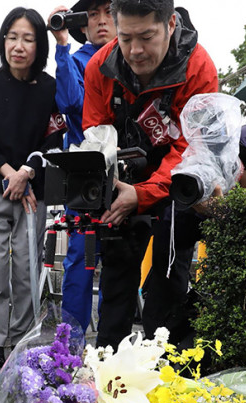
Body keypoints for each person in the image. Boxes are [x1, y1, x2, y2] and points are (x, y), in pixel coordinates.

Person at [82, 0, 218, 350]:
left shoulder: (198, 68)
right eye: (126, 38)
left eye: (147, 36)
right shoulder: (101, 66)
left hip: (179, 182)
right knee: (115, 275)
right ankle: (106, 370)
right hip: (124, 175)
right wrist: (110, 187)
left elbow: (193, 148)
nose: (135, 51)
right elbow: (96, 133)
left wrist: (143, 194)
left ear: (170, 24)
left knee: (168, 279)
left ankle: (169, 375)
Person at [0, 6, 66, 368]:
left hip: (32, 192)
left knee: (27, 271)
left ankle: (23, 340)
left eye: (27, 38)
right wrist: (11, 174)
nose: (19, 45)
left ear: (38, 44)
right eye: (12, 37)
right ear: (3, 41)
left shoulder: (49, 88)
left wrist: (26, 171)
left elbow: (56, 136)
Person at [50, 0, 116, 334]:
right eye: (93, 14)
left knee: (119, 262)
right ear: (83, 23)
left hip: (123, 178)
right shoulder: (74, 60)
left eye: (109, 12)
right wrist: (62, 44)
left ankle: (112, 348)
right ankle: (70, 350)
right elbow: (71, 103)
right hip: (83, 177)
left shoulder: (135, 61)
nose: (102, 21)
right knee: (79, 259)